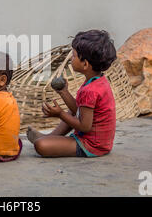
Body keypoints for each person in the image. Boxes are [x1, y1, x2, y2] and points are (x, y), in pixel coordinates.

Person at [27, 30, 117, 158]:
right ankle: (51, 137)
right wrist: (64, 92)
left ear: (85, 64)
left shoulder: (90, 90)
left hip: (91, 145)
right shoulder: (97, 81)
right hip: (100, 141)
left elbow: (84, 126)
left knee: (41, 145)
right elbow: (79, 110)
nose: (70, 59)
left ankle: (48, 139)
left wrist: (60, 114)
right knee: (71, 113)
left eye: (74, 56)